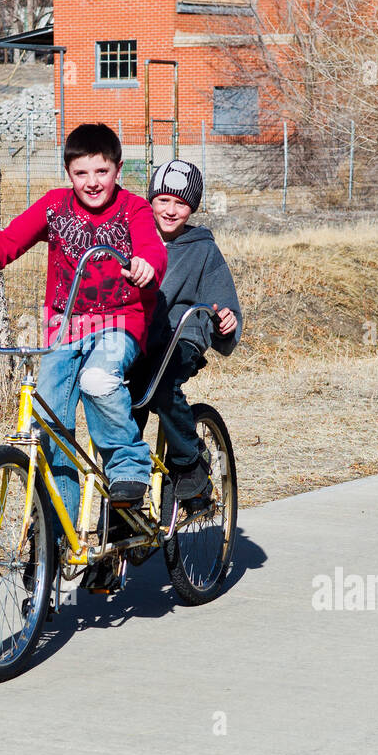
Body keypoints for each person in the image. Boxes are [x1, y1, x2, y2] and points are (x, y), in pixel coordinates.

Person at [0, 123, 167, 532]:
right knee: (51, 428)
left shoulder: (135, 209)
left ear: (118, 169)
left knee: (98, 379)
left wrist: (148, 265)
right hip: (65, 330)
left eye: (101, 172)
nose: (92, 182)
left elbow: (151, 247)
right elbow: (7, 242)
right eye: (81, 173)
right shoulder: (53, 208)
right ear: (67, 173)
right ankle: (58, 537)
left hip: (121, 323)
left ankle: (130, 467)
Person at [130, 159, 242, 501]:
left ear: (191, 208)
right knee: (122, 405)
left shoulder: (203, 249)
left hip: (182, 337)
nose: (170, 209)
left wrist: (226, 321)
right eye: (163, 199)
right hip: (136, 337)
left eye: (181, 203)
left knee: (162, 385)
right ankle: (123, 511)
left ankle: (189, 461)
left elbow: (223, 302)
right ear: (151, 199)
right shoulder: (133, 237)